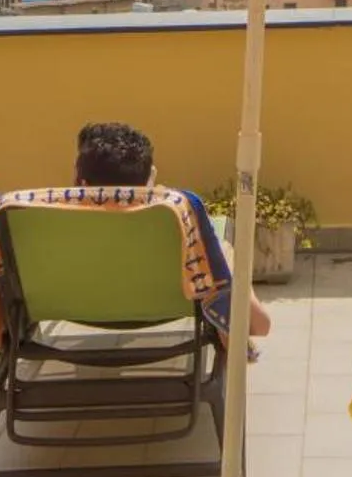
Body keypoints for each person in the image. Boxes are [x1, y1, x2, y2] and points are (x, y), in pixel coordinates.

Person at [73, 121, 270, 341]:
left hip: (80, 308)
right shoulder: (179, 214)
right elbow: (259, 325)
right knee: (225, 249)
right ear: (149, 176)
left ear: (83, 183)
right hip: (157, 305)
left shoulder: (54, 218)